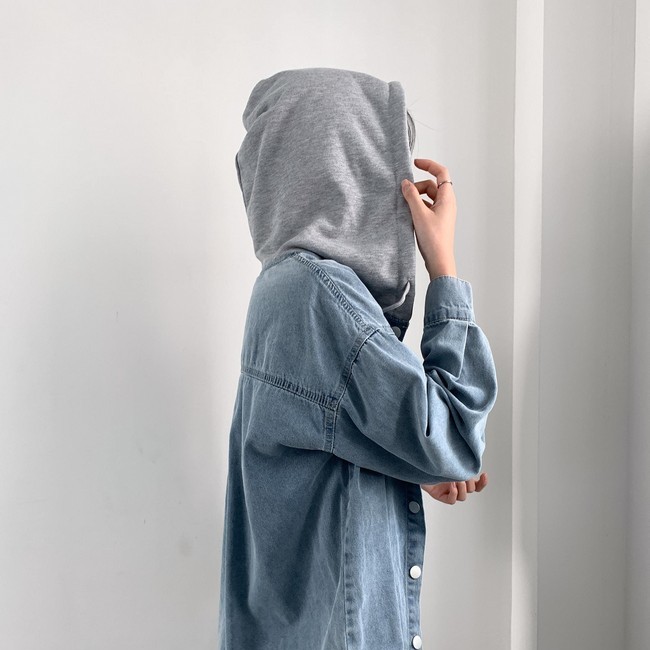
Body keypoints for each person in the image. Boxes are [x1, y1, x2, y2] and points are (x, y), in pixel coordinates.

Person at [218, 67, 498, 650]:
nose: (401, 191)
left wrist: (403, 459)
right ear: (348, 172)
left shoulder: (286, 289)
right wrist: (443, 265)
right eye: (388, 165)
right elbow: (455, 438)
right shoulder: (318, 295)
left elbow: (326, 451)